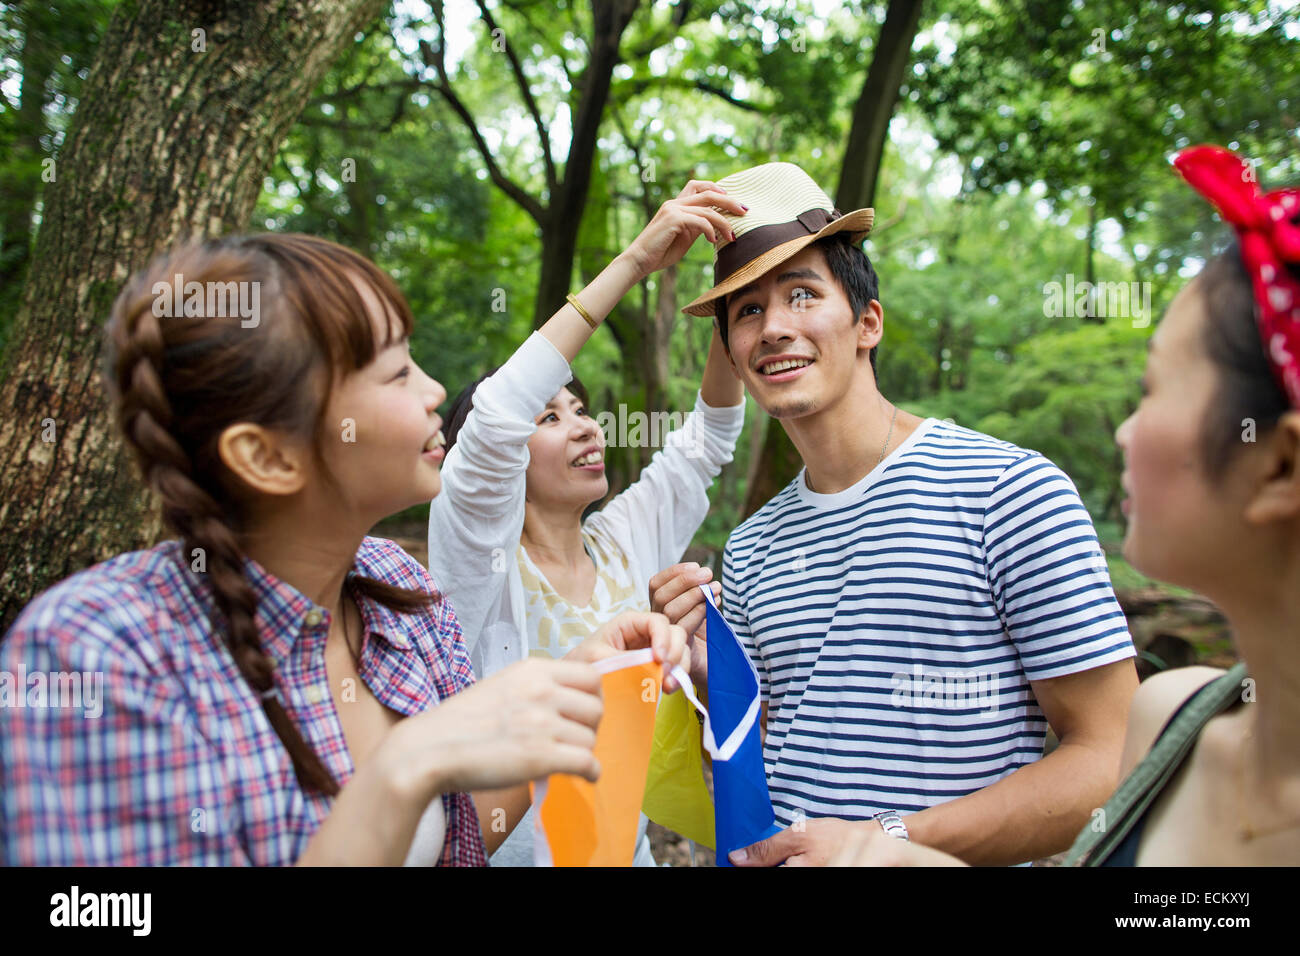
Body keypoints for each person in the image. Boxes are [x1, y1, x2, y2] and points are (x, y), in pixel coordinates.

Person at [0, 233, 687, 865]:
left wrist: (573, 684)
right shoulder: (97, 653)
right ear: (267, 456)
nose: (435, 392)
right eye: (394, 374)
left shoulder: (401, 597)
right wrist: (400, 769)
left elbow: (469, 838)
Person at [651, 161, 1138, 867]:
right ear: (730, 348)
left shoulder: (1009, 491)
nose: (775, 327)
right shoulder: (752, 545)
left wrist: (888, 846)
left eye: (801, 295)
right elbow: (766, 758)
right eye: (748, 310)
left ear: (867, 322)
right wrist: (708, 676)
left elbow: (1112, 755)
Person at [828, 145, 1300, 867]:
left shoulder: (1009, 490)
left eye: (1152, 390)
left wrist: (894, 839)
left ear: (1281, 464)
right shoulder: (1176, 718)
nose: (1123, 430)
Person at [427, 179, 747, 866]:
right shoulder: (476, 563)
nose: (583, 428)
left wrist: (734, 285)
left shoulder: (624, 539)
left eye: (579, 409)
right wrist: (635, 261)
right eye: (549, 417)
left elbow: (709, 438)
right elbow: (493, 419)